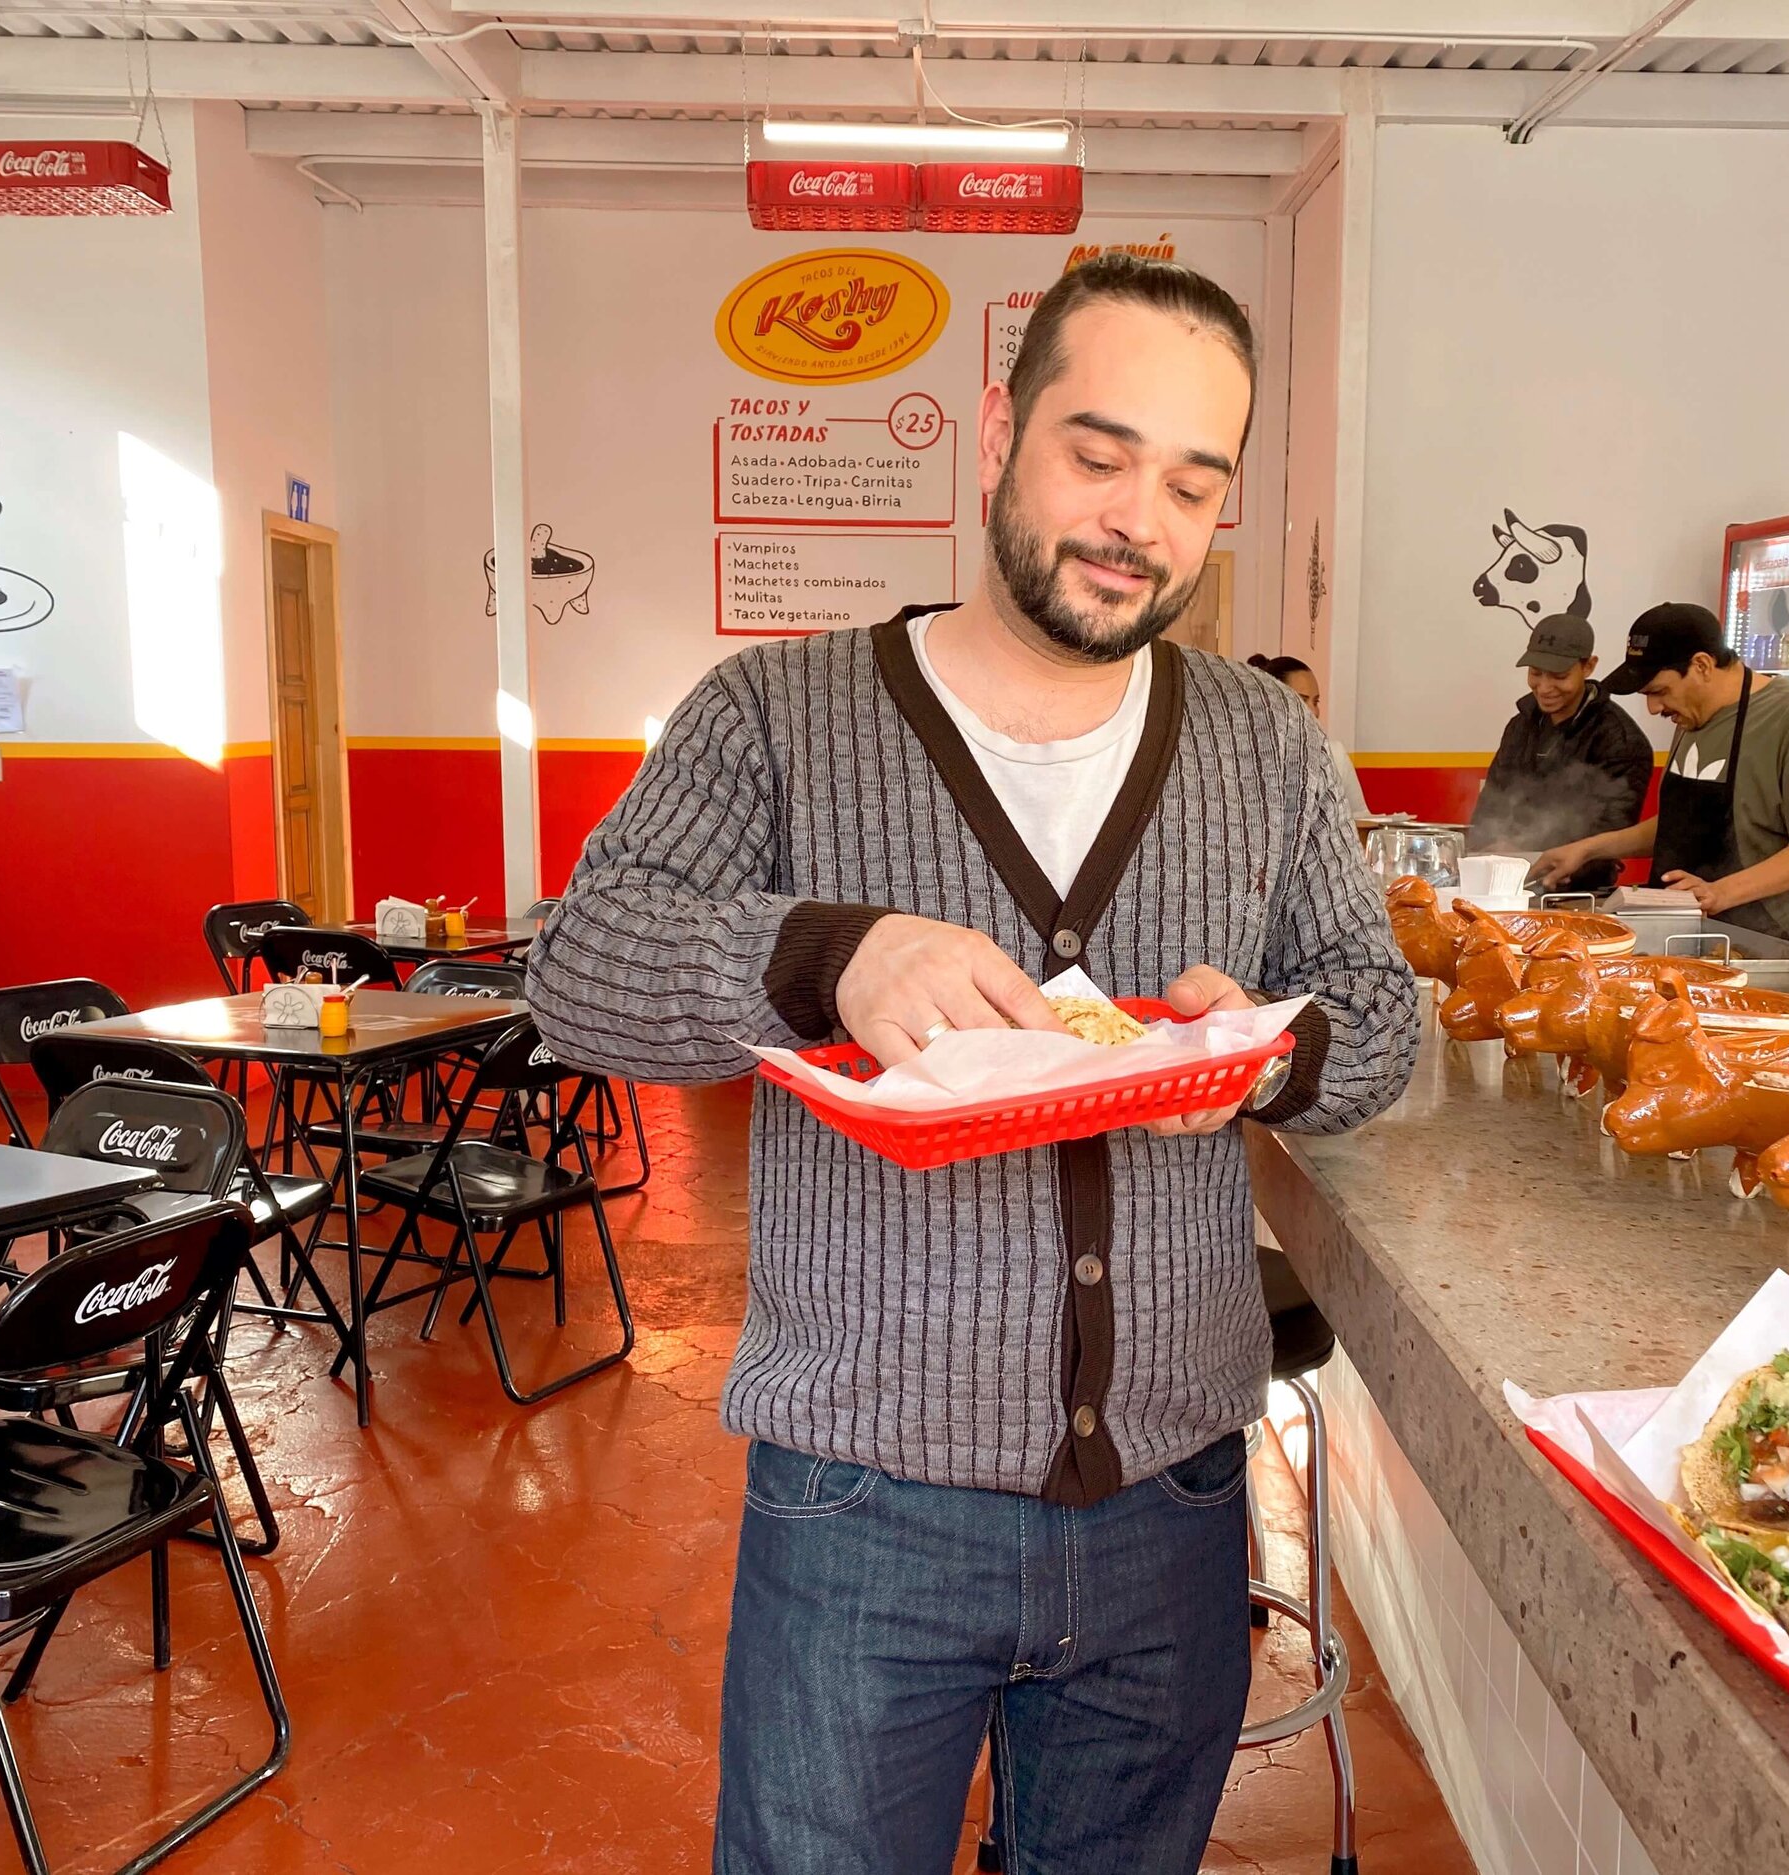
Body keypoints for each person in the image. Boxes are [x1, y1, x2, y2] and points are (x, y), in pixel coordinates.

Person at [528, 253, 1420, 1875]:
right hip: (866, 1502)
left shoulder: (1265, 746)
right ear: (1000, 431)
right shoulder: (775, 718)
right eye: (1098, 452)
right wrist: (826, 959)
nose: (1136, 514)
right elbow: (576, 982)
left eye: (1192, 480)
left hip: (1169, 1503)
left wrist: (1269, 1058)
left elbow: (1381, 1013)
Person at [1530, 602, 1789, 944]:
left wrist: (1720, 892)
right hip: (1682, 932)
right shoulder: (1691, 715)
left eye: (1659, 692)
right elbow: (1678, 825)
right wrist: (1586, 849)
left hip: (1761, 941)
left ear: (1701, 665)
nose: (1654, 708)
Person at [1462, 614, 1654, 896]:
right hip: (1506, 885)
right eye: (1536, 673)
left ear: (1589, 666)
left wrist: (1528, 855)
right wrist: (1489, 848)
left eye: (1559, 676)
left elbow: (1610, 835)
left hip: (1579, 892)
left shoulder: (1619, 740)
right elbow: (1491, 804)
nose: (1544, 687)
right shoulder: (1521, 725)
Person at [1249, 652, 1368, 819]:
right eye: (1302, 700)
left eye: (1316, 701)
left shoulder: (1334, 754)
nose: (1314, 711)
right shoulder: (1246, 756)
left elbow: (1361, 819)